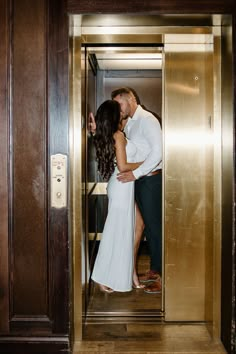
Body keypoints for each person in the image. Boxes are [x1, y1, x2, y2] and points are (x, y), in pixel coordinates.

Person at [111, 87, 162, 294]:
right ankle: (154, 269)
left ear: (131, 99)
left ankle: (161, 277)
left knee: (156, 228)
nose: (118, 109)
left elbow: (159, 152)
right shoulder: (130, 124)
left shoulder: (147, 120)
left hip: (150, 180)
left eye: (119, 104)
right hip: (141, 180)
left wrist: (135, 173)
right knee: (148, 228)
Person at [91, 99, 144, 293]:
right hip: (122, 185)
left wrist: (94, 125)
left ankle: (127, 272)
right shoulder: (118, 135)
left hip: (122, 185)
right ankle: (100, 275)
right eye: (118, 111)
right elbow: (123, 166)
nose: (122, 112)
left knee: (138, 225)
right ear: (114, 115)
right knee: (115, 232)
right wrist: (147, 163)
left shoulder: (113, 133)